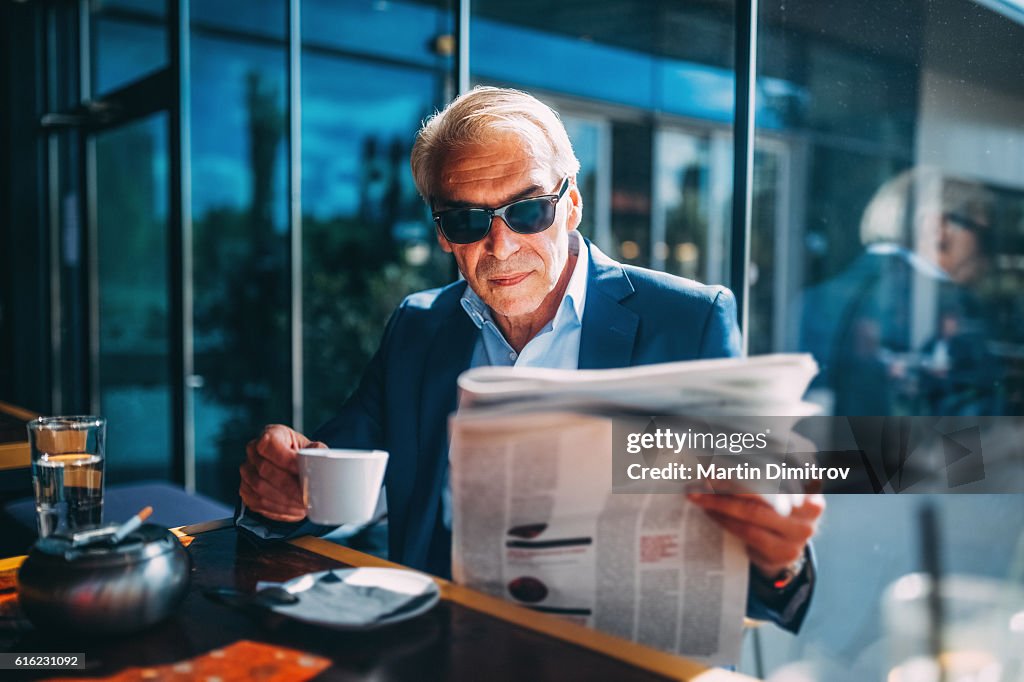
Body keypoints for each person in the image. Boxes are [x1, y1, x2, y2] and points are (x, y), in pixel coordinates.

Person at [237, 86, 823, 632]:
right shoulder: (419, 327)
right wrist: (281, 488)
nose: (501, 245)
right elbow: (327, 479)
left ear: (571, 205)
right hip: (446, 644)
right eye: (468, 220)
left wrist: (780, 563)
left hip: (611, 650)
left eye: (527, 210)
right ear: (443, 234)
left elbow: (748, 551)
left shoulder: (689, 321)